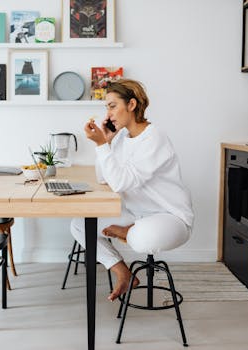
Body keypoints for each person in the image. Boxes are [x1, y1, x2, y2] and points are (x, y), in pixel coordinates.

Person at [70, 79, 194, 302]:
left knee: (142, 237)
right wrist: (107, 142)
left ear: (132, 105)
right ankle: (123, 273)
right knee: (79, 225)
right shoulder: (122, 139)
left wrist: (100, 146)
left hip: (169, 217)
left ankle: (131, 230)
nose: (108, 113)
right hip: (137, 213)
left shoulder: (154, 137)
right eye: (106, 107)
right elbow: (103, 178)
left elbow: (120, 183)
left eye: (112, 105)